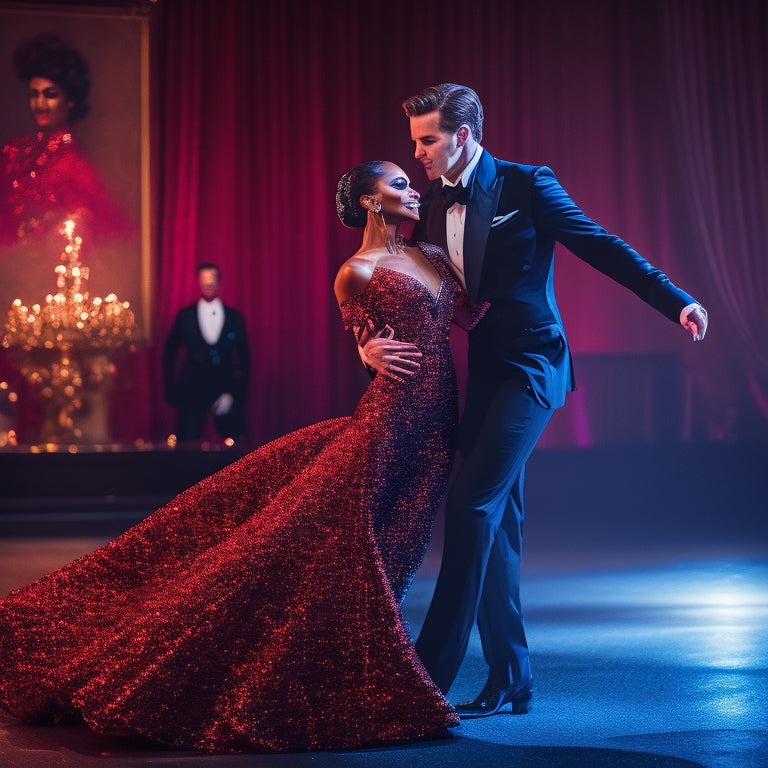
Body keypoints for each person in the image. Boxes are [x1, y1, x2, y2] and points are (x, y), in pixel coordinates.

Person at [0, 161, 484, 753]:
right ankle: (331, 683)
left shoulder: (434, 258)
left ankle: (336, 672)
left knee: (391, 549)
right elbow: (365, 343)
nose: (415, 189)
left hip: (436, 433)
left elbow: (468, 314)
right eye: (399, 183)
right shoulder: (355, 272)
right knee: (334, 551)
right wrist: (368, 357)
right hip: (388, 424)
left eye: (413, 180)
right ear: (366, 201)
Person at [360, 83, 709, 718]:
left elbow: (602, 247)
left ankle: (426, 680)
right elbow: (384, 275)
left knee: (470, 505)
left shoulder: (526, 185)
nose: (417, 155)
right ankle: (512, 678)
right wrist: (370, 343)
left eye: (427, 140)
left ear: (463, 136)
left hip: (534, 367)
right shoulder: (432, 202)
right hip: (486, 372)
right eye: (414, 143)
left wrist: (676, 300)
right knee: (499, 524)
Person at [1, 32, 128, 247]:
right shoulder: (13, 149)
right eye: (34, 94)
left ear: (69, 100)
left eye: (50, 94)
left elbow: (114, 231)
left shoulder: (75, 164)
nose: (40, 104)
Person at [163, 262, 251, 444]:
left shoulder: (234, 317)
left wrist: (235, 394)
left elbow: (244, 358)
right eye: (205, 281)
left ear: (219, 282)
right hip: (191, 391)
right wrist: (172, 388)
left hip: (225, 390)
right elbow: (169, 352)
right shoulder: (185, 316)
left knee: (234, 451)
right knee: (187, 447)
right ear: (198, 282)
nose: (208, 285)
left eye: (212, 281)